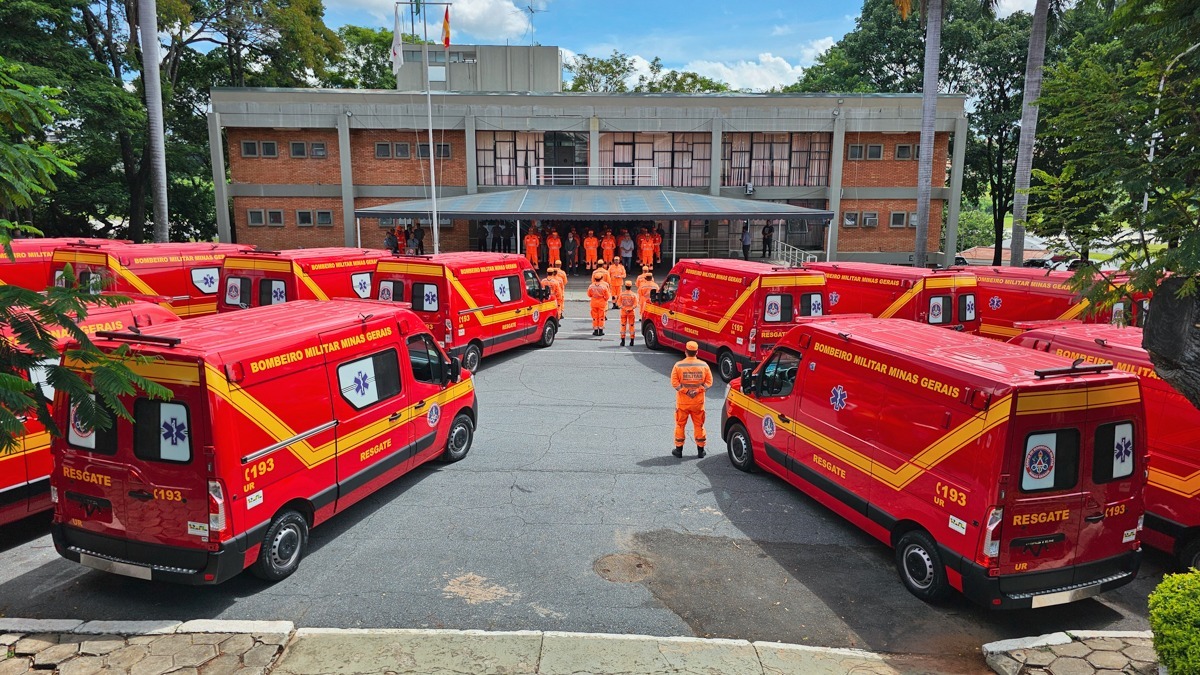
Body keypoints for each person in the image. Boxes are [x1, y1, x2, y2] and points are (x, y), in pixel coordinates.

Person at [670, 341, 713, 458]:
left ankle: (678, 450)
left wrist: (686, 391)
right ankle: (701, 451)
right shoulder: (704, 366)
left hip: (683, 402)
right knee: (699, 425)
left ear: (685, 352)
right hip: (698, 403)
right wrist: (698, 390)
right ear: (697, 352)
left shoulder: (678, 366)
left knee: (680, 425)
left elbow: (675, 383)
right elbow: (709, 382)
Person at [587, 271, 609, 336]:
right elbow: (607, 296)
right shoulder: (604, 286)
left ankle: (595, 331)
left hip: (594, 302)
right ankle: (601, 331)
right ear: (601, 278)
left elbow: (589, 294)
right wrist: (603, 299)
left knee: (594, 317)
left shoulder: (591, 286)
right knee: (601, 317)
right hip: (601, 303)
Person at [617, 280, 637, 346]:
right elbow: (635, 304)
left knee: (623, 326)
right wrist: (630, 309)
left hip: (623, 312)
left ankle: (623, 341)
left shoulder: (622, 294)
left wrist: (624, 308)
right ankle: (632, 341)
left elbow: (619, 303)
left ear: (625, 286)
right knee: (632, 326)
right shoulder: (633, 294)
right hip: (631, 312)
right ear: (631, 286)